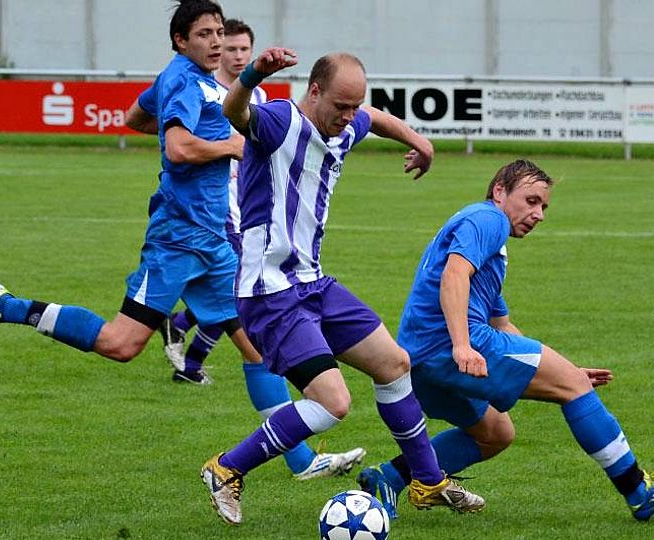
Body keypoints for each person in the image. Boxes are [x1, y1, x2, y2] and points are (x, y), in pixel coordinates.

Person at [0, 1, 363, 481]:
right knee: (120, 344)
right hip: (179, 239)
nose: (216, 42)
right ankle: (5, 304)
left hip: (216, 237)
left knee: (256, 348)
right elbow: (178, 148)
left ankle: (302, 461)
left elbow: (134, 117)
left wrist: (188, 133)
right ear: (180, 42)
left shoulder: (193, 80)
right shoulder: (184, 80)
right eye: (204, 34)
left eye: (219, 32)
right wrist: (228, 146)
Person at [200, 49, 486, 525]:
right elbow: (235, 112)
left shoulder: (345, 124)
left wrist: (420, 142)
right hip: (270, 292)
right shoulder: (280, 122)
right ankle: (226, 469)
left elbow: (374, 117)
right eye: (341, 106)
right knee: (333, 402)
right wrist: (253, 75)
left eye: (354, 106)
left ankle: (427, 481)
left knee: (394, 364)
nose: (350, 116)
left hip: (313, 283)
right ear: (314, 91)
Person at [355, 159, 654, 522]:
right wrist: (462, 345)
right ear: (499, 191)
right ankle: (639, 490)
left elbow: (502, 324)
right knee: (571, 389)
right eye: (531, 201)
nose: (539, 215)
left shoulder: (488, 244)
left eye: (544, 206)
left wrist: (567, 372)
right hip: (449, 347)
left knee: (495, 433)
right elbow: (455, 275)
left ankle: (388, 477)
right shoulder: (489, 219)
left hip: (422, 361)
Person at [160, 18, 268, 386]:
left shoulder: (259, 97)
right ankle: (190, 363)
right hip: (218, 213)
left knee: (231, 292)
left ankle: (179, 326)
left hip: (249, 211)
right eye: (231, 48)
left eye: (243, 49)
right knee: (236, 294)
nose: (237, 55)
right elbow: (179, 144)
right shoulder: (204, 92)